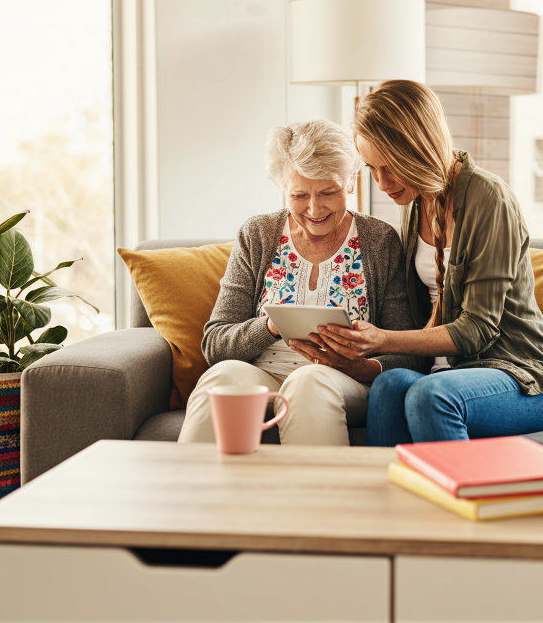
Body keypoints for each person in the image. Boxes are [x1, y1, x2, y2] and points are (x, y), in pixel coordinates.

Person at [314, 80, 543, 446]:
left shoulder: (489, 198)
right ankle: (381, 502)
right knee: (389, 385)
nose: (382, 183)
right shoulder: (415, 204)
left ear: (419, 148)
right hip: (444, 375)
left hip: (521, 378)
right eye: (372, 169)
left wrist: (381, 340)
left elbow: (477, 330)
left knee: (431, 395)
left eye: (391, 166)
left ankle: (460, 500)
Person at [177, 119, 421, 446]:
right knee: (220, 379)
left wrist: (360, 365)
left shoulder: (380, 241)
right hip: (264, 374)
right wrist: (271, 326)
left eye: (328, 192)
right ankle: (195, 494)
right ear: (282, 189)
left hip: (343, 382)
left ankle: (316, 497)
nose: (314, 209)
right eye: (299, 194)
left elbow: (408, 351)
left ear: (351, 183)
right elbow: (216, 343)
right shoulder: (257, 235)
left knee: (308, 382)